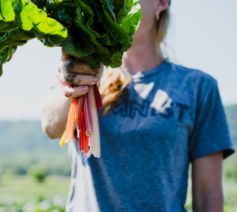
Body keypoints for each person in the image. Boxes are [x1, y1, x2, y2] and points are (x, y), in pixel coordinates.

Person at [41, 0, 235, 211]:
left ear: (161, 3)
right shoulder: (80, 72)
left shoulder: (198, 87)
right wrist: (75, 86)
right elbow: (50, 126)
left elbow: (208, 196)